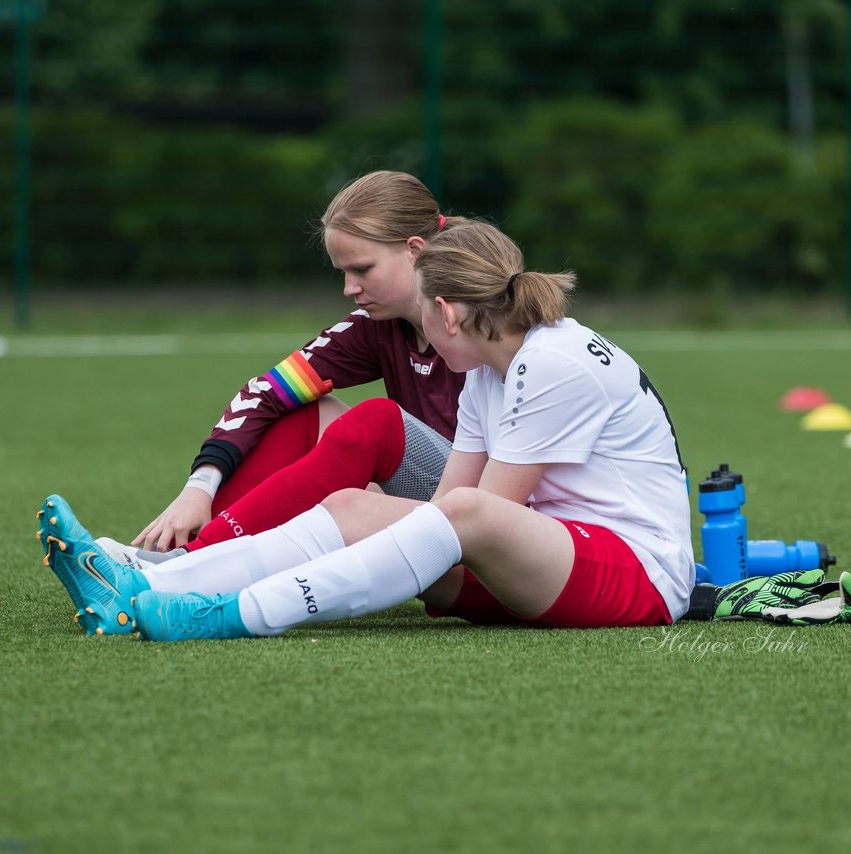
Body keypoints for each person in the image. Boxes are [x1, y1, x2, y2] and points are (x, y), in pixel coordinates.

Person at [38, 219, 698, 637]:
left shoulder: (551, 363)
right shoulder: (489, 372)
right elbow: (443, 518)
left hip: (637, 576)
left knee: (458, 513)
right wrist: (360, 523)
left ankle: (234, 613)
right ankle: (147, 586)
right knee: (355, 505)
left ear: (445, 310)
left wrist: (392, 539)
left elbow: (476, 515)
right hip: (549, 559)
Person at [115, 171, 468, 557]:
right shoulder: (375, 328)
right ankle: (186, 550)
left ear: (414, 250)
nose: (350, 289)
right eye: (344, 273)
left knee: (378, 422)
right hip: (437, 498)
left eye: (362, 269)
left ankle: (189, 561)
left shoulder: (490, 321)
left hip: (496, 517)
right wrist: (199, 488)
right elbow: (264, 393)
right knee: (300, 409)